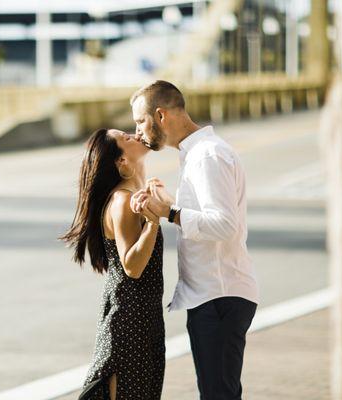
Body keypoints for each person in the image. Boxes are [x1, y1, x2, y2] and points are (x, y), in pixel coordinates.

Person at [130, 80, 259, 400]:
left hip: (218, 297)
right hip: (215, 296)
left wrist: (170, 212)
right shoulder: (198, 153)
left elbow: (224, 225)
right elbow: (210, 216)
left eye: (139, 121)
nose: (137, 132)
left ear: (160, 115)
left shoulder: (206, 156)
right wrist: (168, 202)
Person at [61, 128, 165, 400]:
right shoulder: (122, 201)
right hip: (130, 320)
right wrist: (154, 221)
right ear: (121, 161)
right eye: (127, 138)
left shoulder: (135, 194)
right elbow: (132, 266)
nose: (135, 135)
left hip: (142, 315)